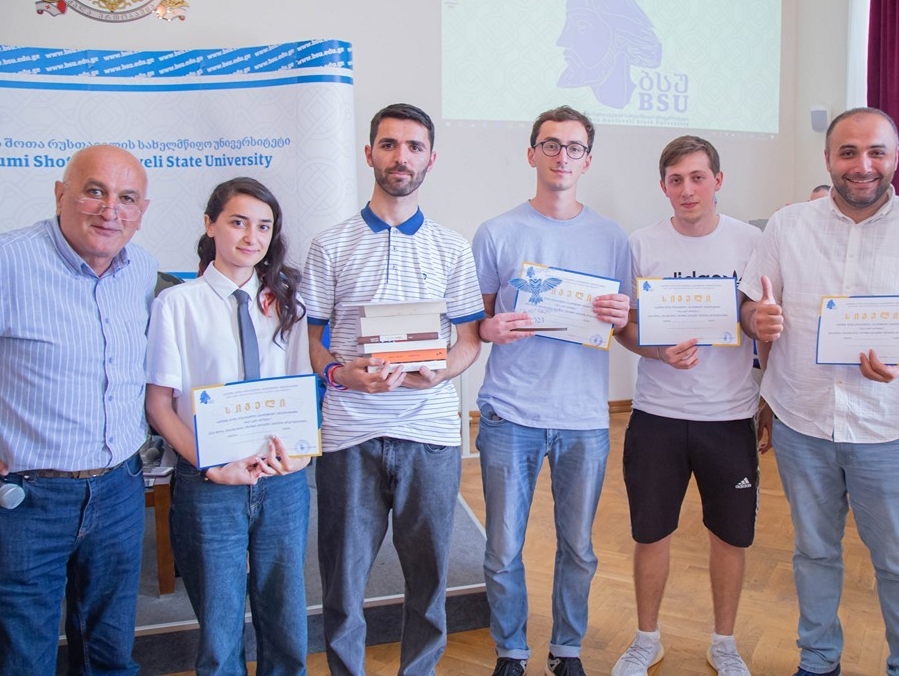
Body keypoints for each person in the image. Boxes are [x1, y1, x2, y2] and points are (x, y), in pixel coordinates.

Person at [740, 107, 899, 676]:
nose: (862, 165)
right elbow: (750, 306)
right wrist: (756, 319)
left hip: (891, 429)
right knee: (814, 553)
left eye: (876, 152)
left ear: (896, 158)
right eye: (848, 152)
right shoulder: (786, 225)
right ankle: (819, 661)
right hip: (803, 424)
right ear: (828, 159)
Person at [0, 144, 155, 674]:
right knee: (20, 663)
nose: (110, 210)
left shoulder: (141, 269)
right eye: (94, 192)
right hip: (22, 501)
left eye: (127, 198)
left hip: (120, 490)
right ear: (61, 195)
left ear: (142, 210)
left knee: (110, 659)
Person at [300, 103, 484, 676]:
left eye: (413, 146)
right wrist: (341, 375)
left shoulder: (452, 247)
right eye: (388, 144)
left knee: (428, 582)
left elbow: (469, 342)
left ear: (430, 158)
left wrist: (442, 371)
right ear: (369, 154)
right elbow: (312, 343)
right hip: (350, 435)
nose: (400, 156)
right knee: (342, 583)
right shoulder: (330, 244)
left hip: (430, 434)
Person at [474, 105, 632, 676]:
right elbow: (476, 323)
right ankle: (511, 651)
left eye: (573, 147)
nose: (562, 156)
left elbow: (625, 325)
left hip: (583, 417)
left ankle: (567, 650)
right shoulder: (497, 232)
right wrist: (490, 330)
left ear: (586, 160)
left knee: (579, 548)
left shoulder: (612, 238)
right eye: (551, 145)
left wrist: (622, 317)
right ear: (532, 153)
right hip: (509, 413)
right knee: (501, 549)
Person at [611, 136, 767, 676]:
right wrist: (657, 350)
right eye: (676, 180)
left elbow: (757, 320)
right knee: (651, 532)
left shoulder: (750, 241)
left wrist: (769, 399)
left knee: (730, 535)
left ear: (717, 181)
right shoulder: (641, 244)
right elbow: (625, 327)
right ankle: (646, 639)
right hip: (657, 414)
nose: (687, 190)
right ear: (663, 186)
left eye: (698, 177)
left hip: (729, 417)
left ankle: (724, 643)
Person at [145, 177, 313, 675]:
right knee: (219, 631)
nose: (251, 237)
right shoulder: (177, 304)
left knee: (285, 621)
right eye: (238, 222)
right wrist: (211, 465)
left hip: (281, 482)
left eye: (264, 226)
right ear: (210, 225)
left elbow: (302, 389)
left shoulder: (288, 303)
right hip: (210, 484)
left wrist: (300, 455)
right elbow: (159, 405)